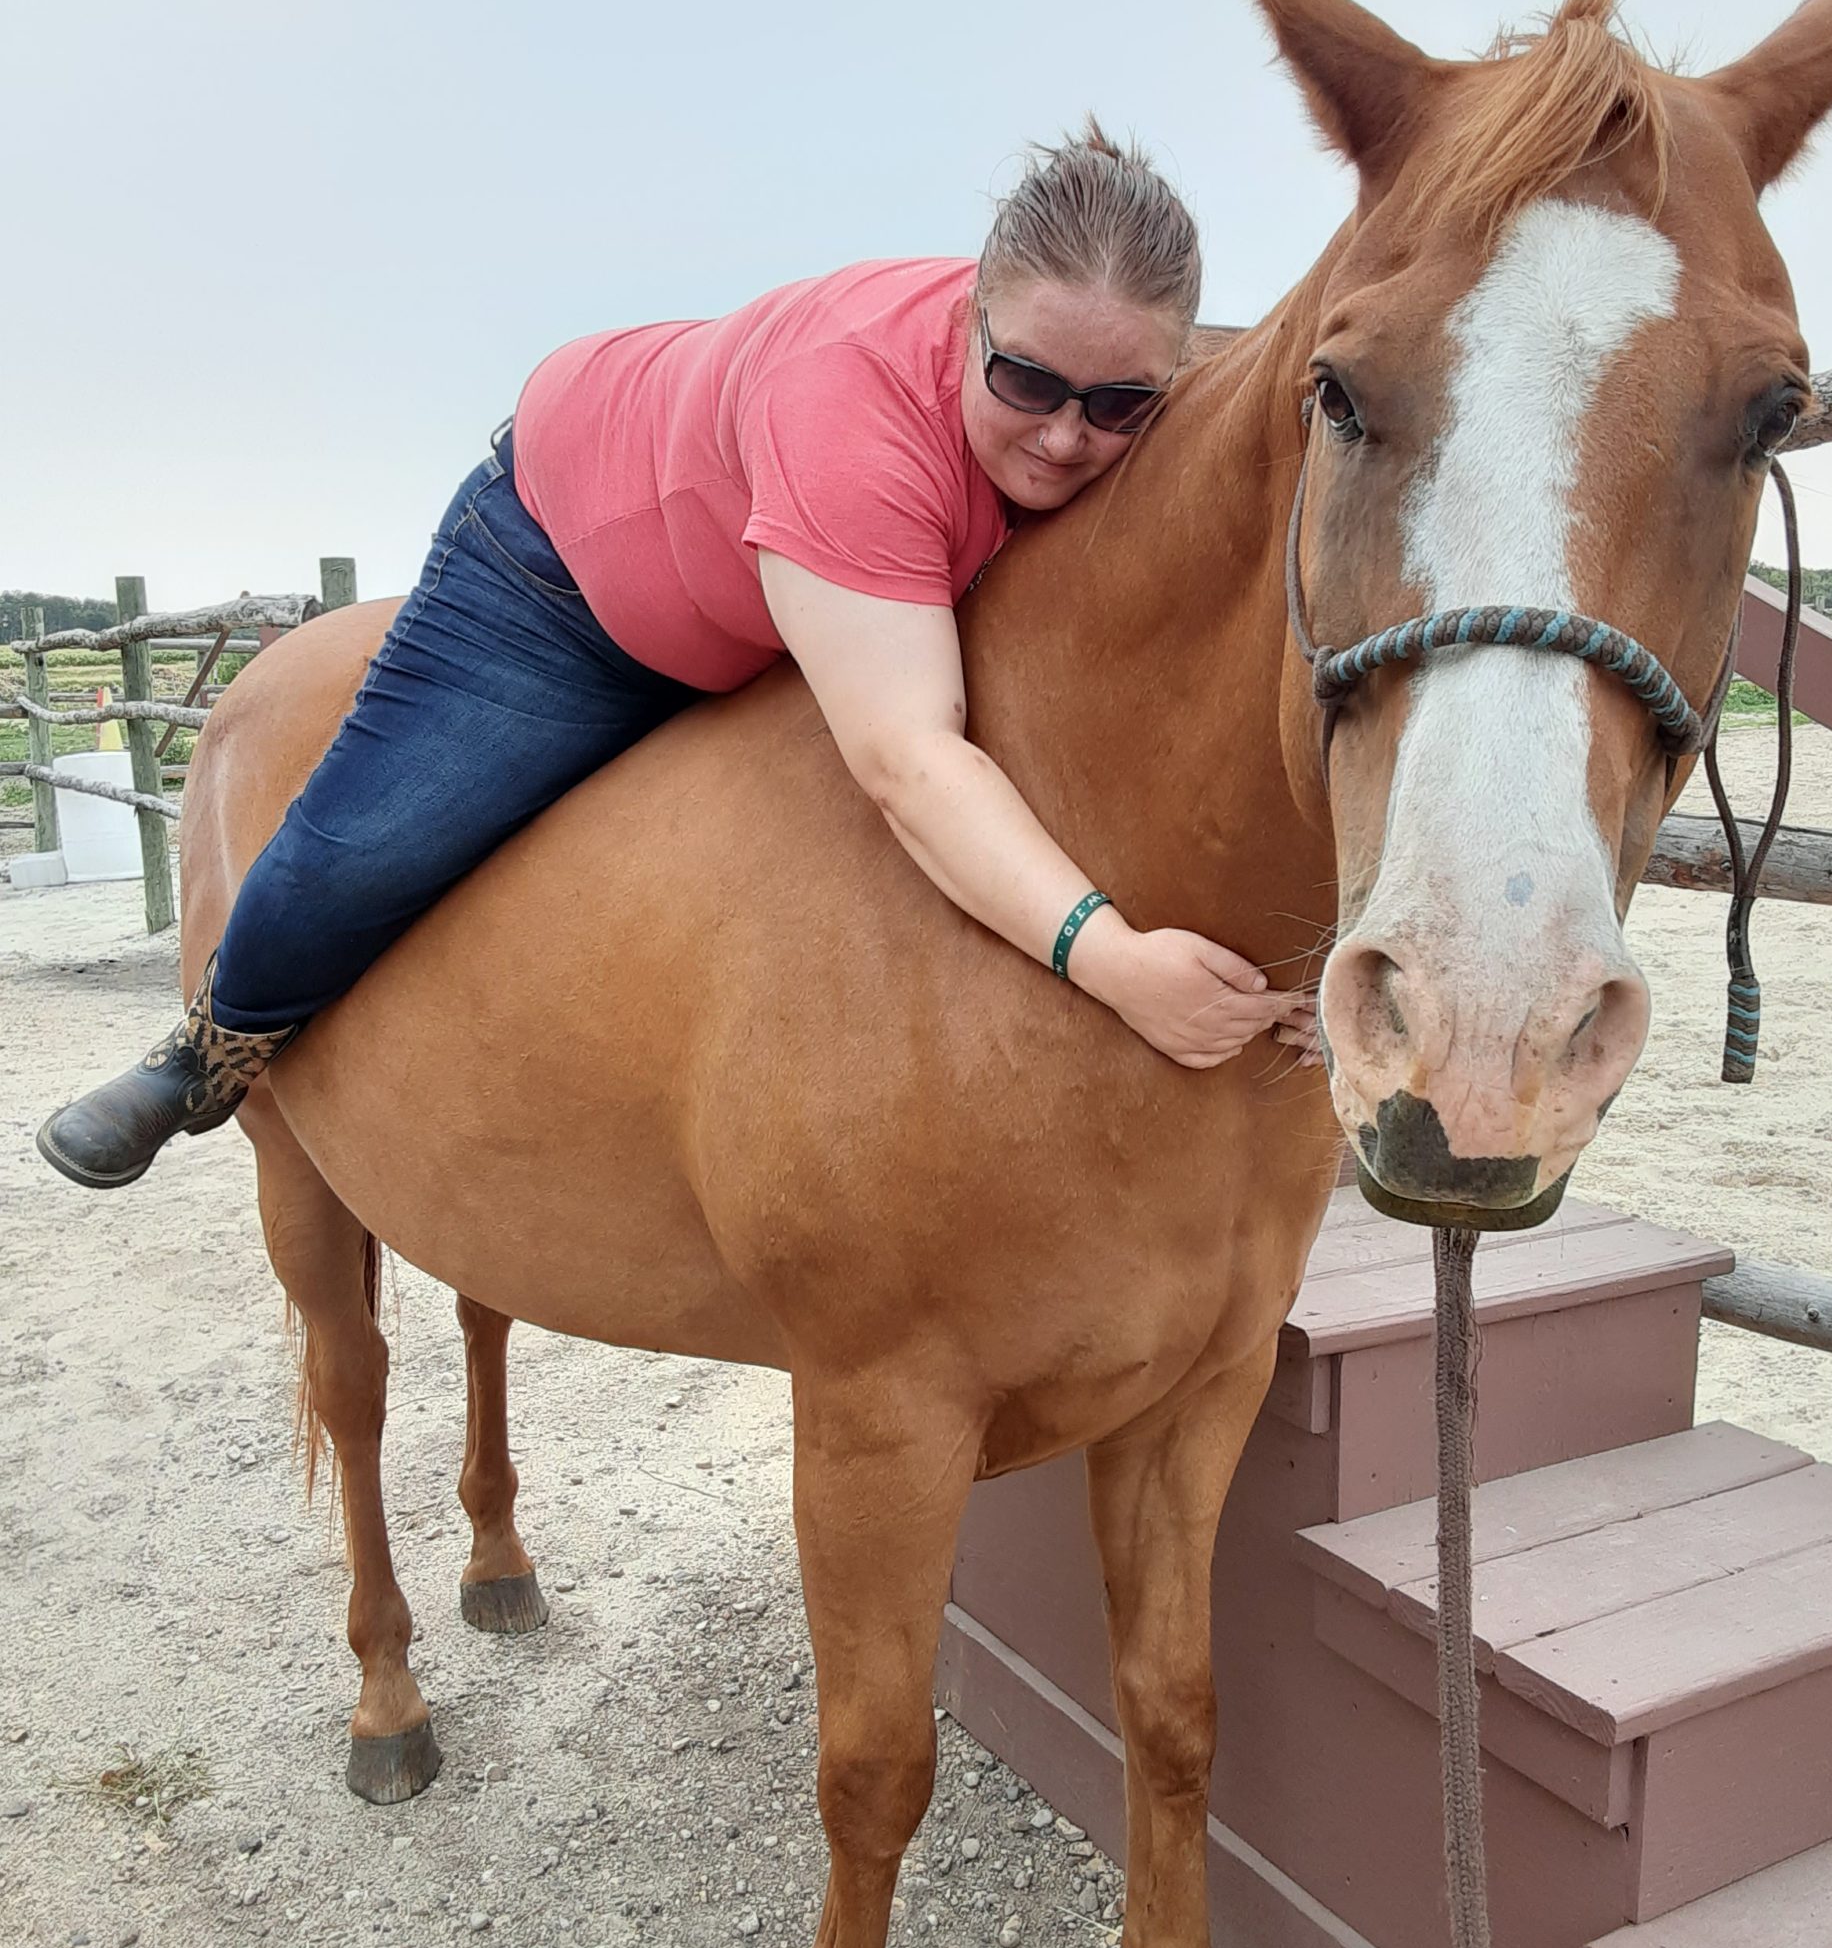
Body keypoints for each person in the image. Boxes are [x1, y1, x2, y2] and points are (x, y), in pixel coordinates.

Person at [37, 124, 1316, 1190]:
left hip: (793, 586)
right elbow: (908, 758)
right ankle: (203, 1052)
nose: (1067, 436)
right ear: (971, 315)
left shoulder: (1095, 396)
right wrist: (1112, 959)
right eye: (1028, 383)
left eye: (1119, 404)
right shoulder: (856, 422)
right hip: (566, 576)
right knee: (365, 842)